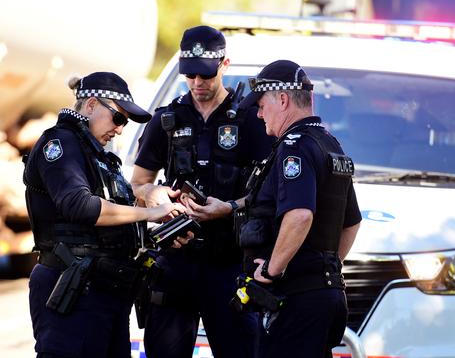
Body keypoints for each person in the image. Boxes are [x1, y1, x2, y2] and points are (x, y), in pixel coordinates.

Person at [23, 72, 190, 358]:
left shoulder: (95, 153)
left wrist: (159, 224)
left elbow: (111, 224)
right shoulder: (61, 144)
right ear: (90, 105)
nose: (120, 129)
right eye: (118, 118)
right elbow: (80, 206)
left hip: (105, 293)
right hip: (73, 292)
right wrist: (148, 212)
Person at [131, 25, 274, 358]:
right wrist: (155, 195)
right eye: (190, 74)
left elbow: (271, 192)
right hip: (175, 259)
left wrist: (230, 207)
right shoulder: (166, 119)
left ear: (225, 64)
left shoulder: (251, 120)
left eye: (205, 75)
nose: (197, 83)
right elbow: (138, 182)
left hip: (230, 262)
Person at [236, 60, 362, 358]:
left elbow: (300, 214)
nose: (258, 113)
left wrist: (271, 269)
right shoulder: (330, 145)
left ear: (282, 99)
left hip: (297, 299)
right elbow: (351, 223)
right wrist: (325, 268)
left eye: (261, 104)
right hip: (326, 295)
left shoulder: (295, 148)